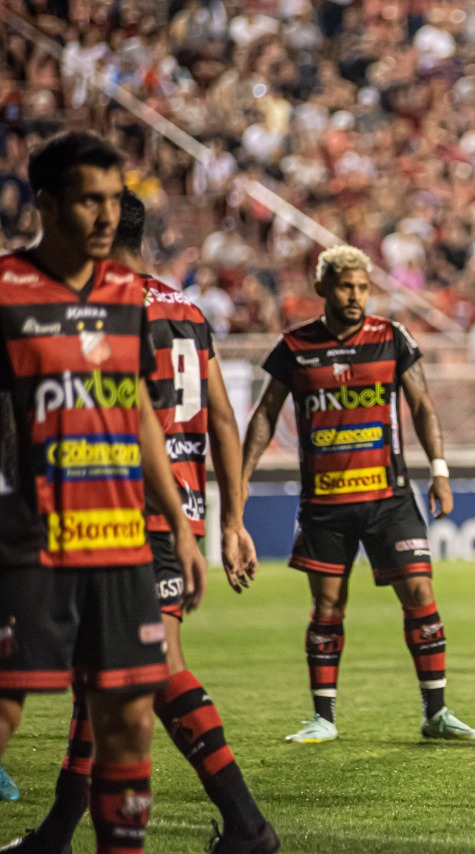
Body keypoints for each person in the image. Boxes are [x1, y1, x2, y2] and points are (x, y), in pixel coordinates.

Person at [5, 189, 279, 854]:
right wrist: (232, 517)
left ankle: (247, 825)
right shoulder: (187, 310)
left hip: (120, 513)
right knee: (101, 676)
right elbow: (219, 415)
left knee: (151, 669)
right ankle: (58, 834)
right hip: (177, 509)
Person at [0, 131, 207, 851]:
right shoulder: (6, 290)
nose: (107, 217)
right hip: (35, 540)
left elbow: (140, 412)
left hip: (122, 543)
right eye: (90, 201)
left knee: (130, 719)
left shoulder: (128, 296)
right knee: (6, 712)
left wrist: (181, 524)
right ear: (48, 204)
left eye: (115, 202)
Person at [241, 245, 475, 744]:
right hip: (325, 503)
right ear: (322, 288)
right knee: (328, 606)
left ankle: (436, 712)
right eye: (346, 287)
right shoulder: (295, 346)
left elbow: (422, 406)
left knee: (420, 593)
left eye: (363, 288)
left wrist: (439, 470)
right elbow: (265, 414)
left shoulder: (391, 337)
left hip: (389, 497)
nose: (355, 296)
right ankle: (323, 717)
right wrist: (242, 476)